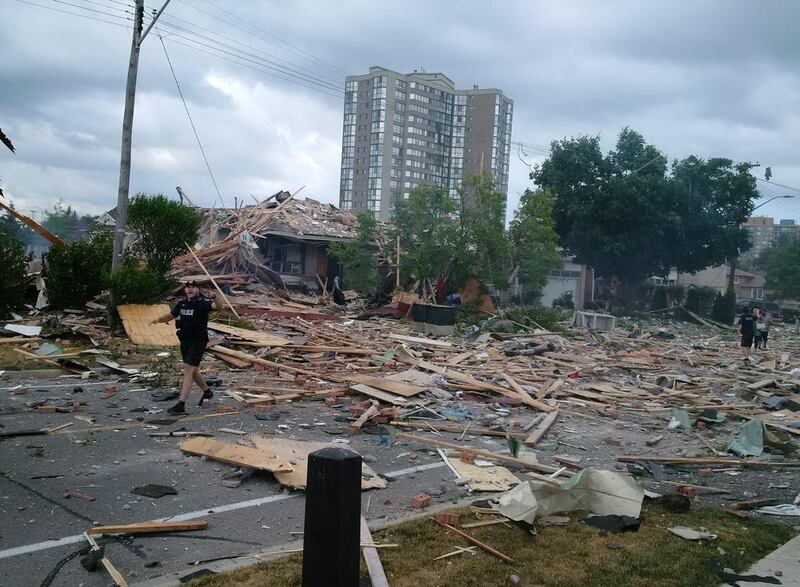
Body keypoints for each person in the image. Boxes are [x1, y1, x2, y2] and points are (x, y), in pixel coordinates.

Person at [151, 281, 220, 415]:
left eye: (193, 287)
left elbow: (217, 306)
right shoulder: (182, 304)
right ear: (185, 290)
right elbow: (171, 315)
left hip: (198, 340)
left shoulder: (202, 303)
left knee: (188, 369)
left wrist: (216, 297)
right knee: (192, 370)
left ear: (197, 290)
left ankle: (181, 404)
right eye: (188, 287)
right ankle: (207, 392)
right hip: (185, 340)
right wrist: (159, 319)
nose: (190, 289)